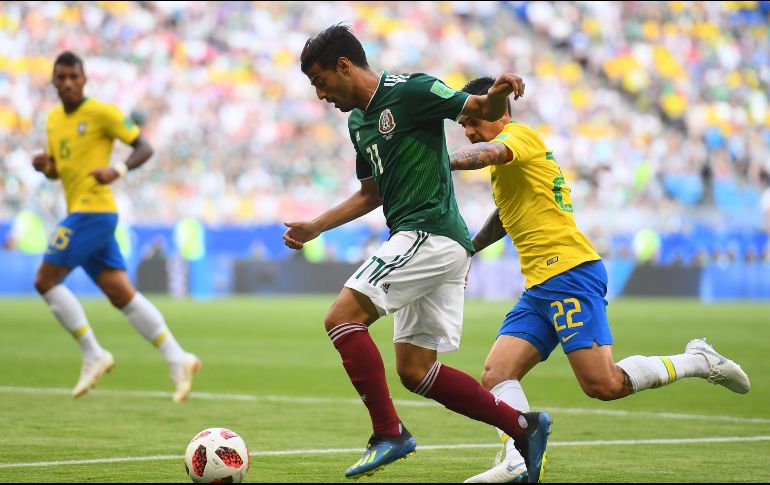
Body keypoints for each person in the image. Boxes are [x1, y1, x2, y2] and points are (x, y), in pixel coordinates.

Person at [449, 76, 751, 483]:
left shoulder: (519, 137)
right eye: (462, 125)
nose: (467, 130)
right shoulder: (511, 166)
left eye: (470, 121)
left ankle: (698, 360)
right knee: (497, 374)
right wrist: (469, 247)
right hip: (542, 283)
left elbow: (489, 152)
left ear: (496, 111)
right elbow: (506, 216)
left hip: (569, 273)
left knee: (603, 384)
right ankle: (519, 459)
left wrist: (437, 159)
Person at [283, 24, 551, 482]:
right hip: (431, 244)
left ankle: (389, 433)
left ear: (344, 66)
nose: (320, 94)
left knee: (340, 318)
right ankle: (523, 427)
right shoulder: (358, 123)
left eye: (319, 81)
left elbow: (481, 107)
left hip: (429, 232)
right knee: (415, 369)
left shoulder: (413, 90)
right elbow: (371, 193)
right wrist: (315, 227)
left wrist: (500, 89)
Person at [32, 52, 200, 402]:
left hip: (94, 212)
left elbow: (144, 147)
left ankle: (93, 353)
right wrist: (45, 166)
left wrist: (117, 171)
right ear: (53, 81)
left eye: (73, 77)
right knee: (122, 294)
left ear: (84, 79)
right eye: (60, 77)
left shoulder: (102, 113)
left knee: (45, 280)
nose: (67, 83)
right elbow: (58, 169)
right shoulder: (51, 120)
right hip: (83, 211)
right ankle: (178, 357)